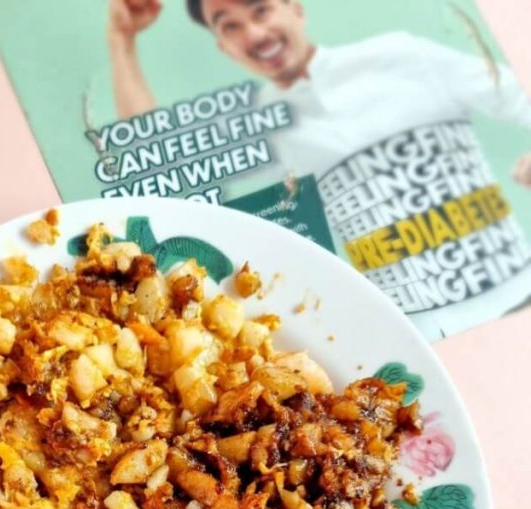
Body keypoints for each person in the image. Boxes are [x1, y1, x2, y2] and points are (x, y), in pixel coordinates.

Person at [108, 0, 531, 335]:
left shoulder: (401, 55)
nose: (253, 33)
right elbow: (161, 158)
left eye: (260, 9)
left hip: (521, 292)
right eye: (230, 26)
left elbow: (515, 95)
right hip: (420, 333)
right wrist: (122, 41)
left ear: (295, 8)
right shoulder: (260, 121)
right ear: (224, 47)